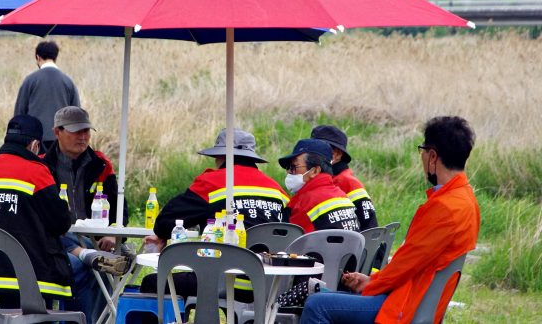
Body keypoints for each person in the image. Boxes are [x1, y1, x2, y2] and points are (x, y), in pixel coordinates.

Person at [300, 116, 481, 324]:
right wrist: (372, 279)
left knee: (317, 304)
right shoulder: (466, 200)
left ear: (432, 156)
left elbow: (406, 264)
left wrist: (370, 284)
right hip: (416, 299)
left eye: (422, 151)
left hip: (405, 303)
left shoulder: (445, 208)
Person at [140, 128, 290, 300]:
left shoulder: (214, 182)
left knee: (152, 282)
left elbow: (165, 222)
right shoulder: (277, 190)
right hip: (270, 285)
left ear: (221, 157)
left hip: (223, 279)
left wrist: (163, 234)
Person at [0, 115, 73, 306]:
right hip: (33, 277)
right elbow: (61, 223)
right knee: (84, 272)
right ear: (34, 145)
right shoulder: (36, 171)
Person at [41, 106, 131, 323]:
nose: (82, 137)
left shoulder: (101, 164)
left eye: (86, 131)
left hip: (96, 241)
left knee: (110, 261)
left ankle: (99, 319)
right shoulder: (41, 165)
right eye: (75, 131)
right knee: (88, 265)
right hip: (56, 242)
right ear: (57, 132)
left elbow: (121, 209)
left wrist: (113, 234)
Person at [279, 138, 360, 233]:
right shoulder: (342, 196)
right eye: (288, 167)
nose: (289, 171)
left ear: (314, 171)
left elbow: (287, 240)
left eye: (293, 167)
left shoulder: (302, 203)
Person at [14, 41, 81, 151]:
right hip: (62, 141)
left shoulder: (30, 80)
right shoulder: (68, 82)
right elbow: (77, 115)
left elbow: (19, 113)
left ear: (37, 57)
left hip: (34, 142)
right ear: (55, 56)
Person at [311, 125, 378, 231]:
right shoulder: (345, 178)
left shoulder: (340, 182)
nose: (311, 154)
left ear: (337, 154)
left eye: (320, 149)